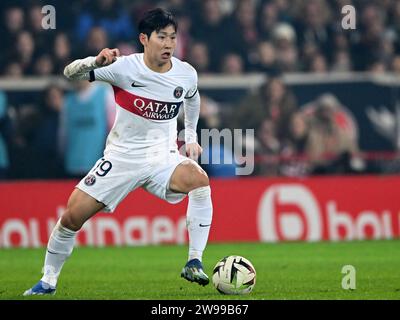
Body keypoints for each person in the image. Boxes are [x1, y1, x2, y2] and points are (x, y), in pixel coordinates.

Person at [24, 8, 213, 296]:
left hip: (162, 156)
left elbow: (193, 97)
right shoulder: (124, 67)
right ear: (144, 39)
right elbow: (68, 74)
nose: (168, 44)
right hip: (121, 158)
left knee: (199, 181)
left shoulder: (186, 73)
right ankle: (48, 280)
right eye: (161, 37)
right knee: (71, 217)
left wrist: (189, 137)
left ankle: (194, 260)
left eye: (172, 38)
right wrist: (94, 62)